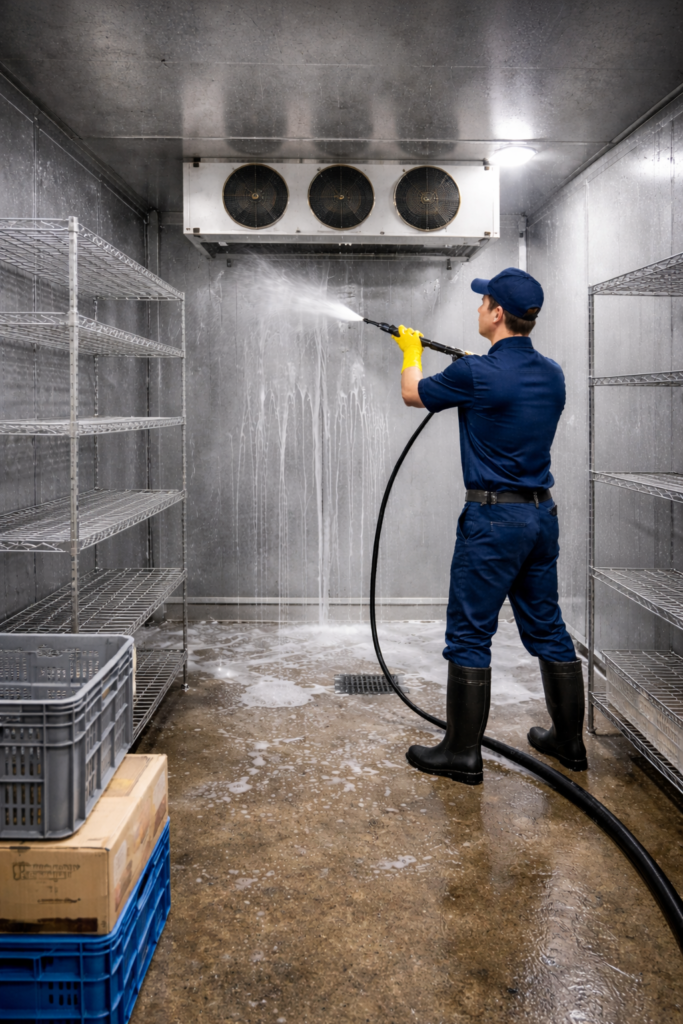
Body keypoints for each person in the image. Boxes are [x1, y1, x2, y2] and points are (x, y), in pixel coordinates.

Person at [394, 267, 587, 786]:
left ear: (497, 313)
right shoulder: (553, 374)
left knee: (470, 632)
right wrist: (470, 368)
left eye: (484, 303)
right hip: (540, 517)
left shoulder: (476, 374)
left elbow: (414, 393)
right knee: (548, 626)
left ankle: (461, 753)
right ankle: (569, 742)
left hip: (494, 521)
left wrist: (411, 351)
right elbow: (504, 393)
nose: (478, 308)